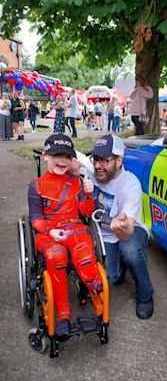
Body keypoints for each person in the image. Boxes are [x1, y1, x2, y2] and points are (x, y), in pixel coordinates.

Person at [28, 134, 102, 337]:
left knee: (84, 250)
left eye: (67, 157)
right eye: (57, 155)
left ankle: (90, 283)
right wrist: (50, 231)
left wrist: (88, 194)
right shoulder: (36, 186)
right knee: (56, 256)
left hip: (74, 227)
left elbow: (86, 213)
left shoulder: (78, 182)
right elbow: (35, 219)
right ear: (45, 156)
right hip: (49, 231)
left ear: (72, 160)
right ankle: (63, 315)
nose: (62, 161)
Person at [86, 134, 154, 319]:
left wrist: (118, 222)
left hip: (130, 231)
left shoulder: (130, 184)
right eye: (96, 159)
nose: (98, 165)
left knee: (130, 250)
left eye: (105, 161)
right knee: (107, 280)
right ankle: (119, 268)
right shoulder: (92, 172)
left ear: (119, 160)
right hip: (103, 235)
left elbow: (127, 230)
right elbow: (73, 158)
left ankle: (145, 295)